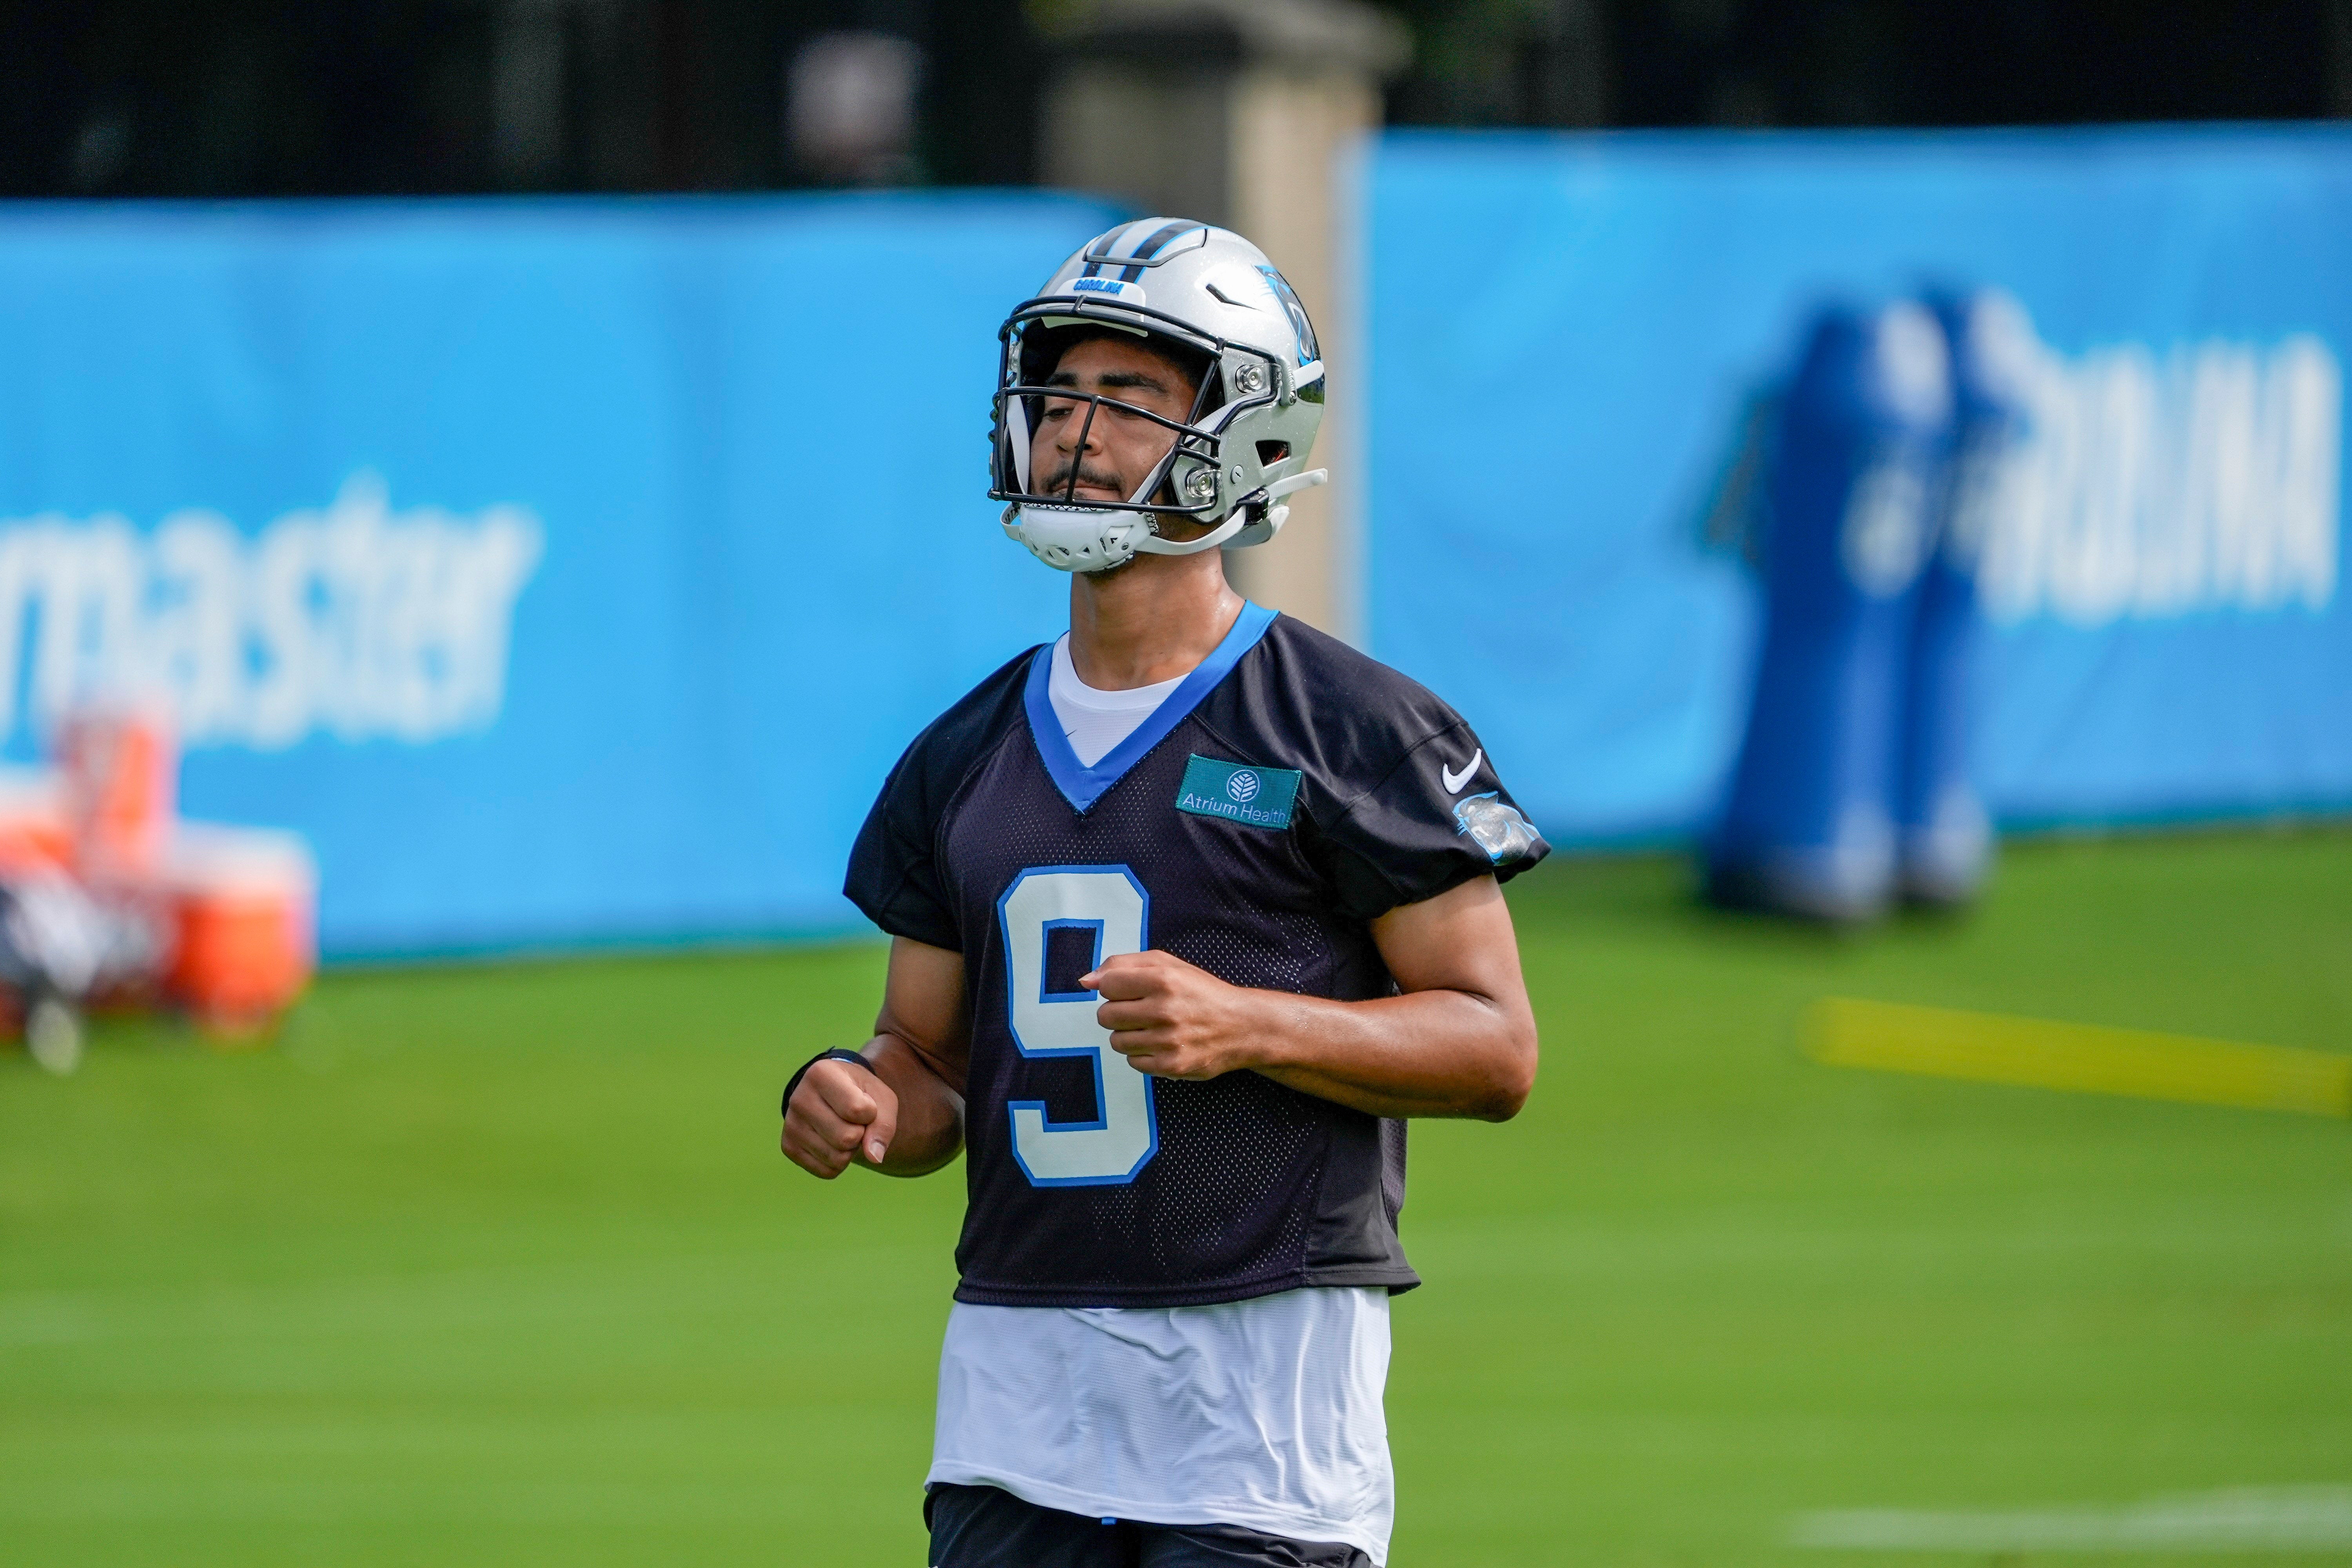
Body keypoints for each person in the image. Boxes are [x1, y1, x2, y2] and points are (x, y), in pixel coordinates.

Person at [779, 218, 1549, 1568]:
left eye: (1130, 397)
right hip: (1015, 1399)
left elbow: (1496, 1051)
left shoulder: (1350, 728)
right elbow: (929, 1067)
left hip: (1259, 1403)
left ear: (1248, 428)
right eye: (1059, 391)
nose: (1075, 431)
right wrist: (861, 1099)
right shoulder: (961, 754)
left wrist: (1252, 1025)